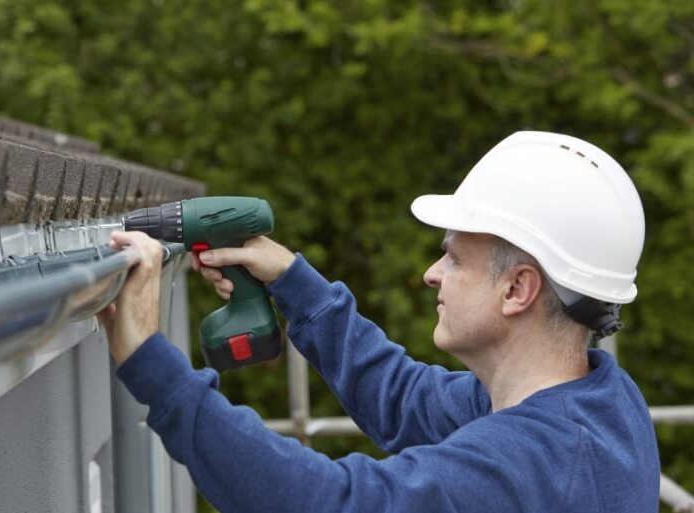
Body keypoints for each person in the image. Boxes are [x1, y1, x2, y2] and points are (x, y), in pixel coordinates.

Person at [98, 131, 660, 512]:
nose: (431, 274)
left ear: (517, 289)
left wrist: (151, 359)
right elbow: (403, 398)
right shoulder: (597, 402)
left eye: (454, 258)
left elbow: (327, 502)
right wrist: (294, 282)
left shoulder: (535, 463)